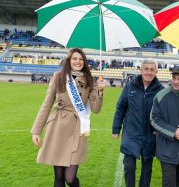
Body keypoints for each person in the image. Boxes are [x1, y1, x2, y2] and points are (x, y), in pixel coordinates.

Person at [31, 48, 105, 187]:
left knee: (70, 179)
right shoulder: (58, 76)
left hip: (77, 129)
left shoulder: (89, 80)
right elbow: (46, 104)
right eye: (75, 59)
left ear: (84, 62)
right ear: (69, 61)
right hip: (57, 127)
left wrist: (100, 92)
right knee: (59, 177)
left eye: (81, 59)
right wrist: (36, 131)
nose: (78, 61)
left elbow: (95, 109)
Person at [112, 59, 164, 187]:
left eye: (152, 70)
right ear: (141, 70)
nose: (149, 72)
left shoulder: (161, 90)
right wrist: (116, 128)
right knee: (129, 166)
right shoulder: (130, 86)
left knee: (147, 168)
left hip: (150, 135)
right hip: (131, 133)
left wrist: (159, 129)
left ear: (156, 72)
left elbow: (164, 113)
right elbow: (121, 107)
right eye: (146, 69)